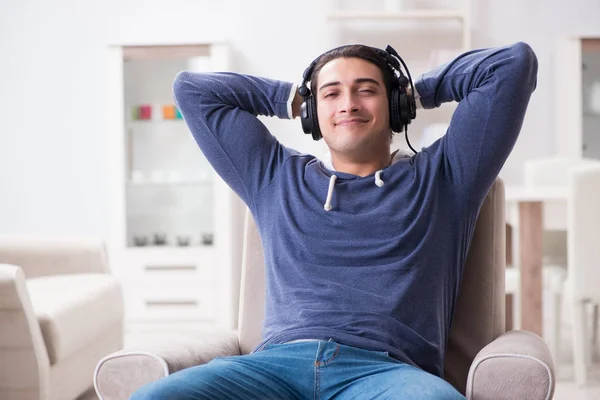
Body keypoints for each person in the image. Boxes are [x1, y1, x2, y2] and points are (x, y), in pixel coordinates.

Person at [130, 41, 538, 399]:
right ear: (312, 113)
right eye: (331, 94)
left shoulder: (446, 177)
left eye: (367, 90)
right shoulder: (273, 177)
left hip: (387, 373)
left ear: (394, 105)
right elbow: (192, 89)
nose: (349, 104)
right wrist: (289, 98)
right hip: (275, 369)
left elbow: (512, 65)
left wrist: (415, 92)